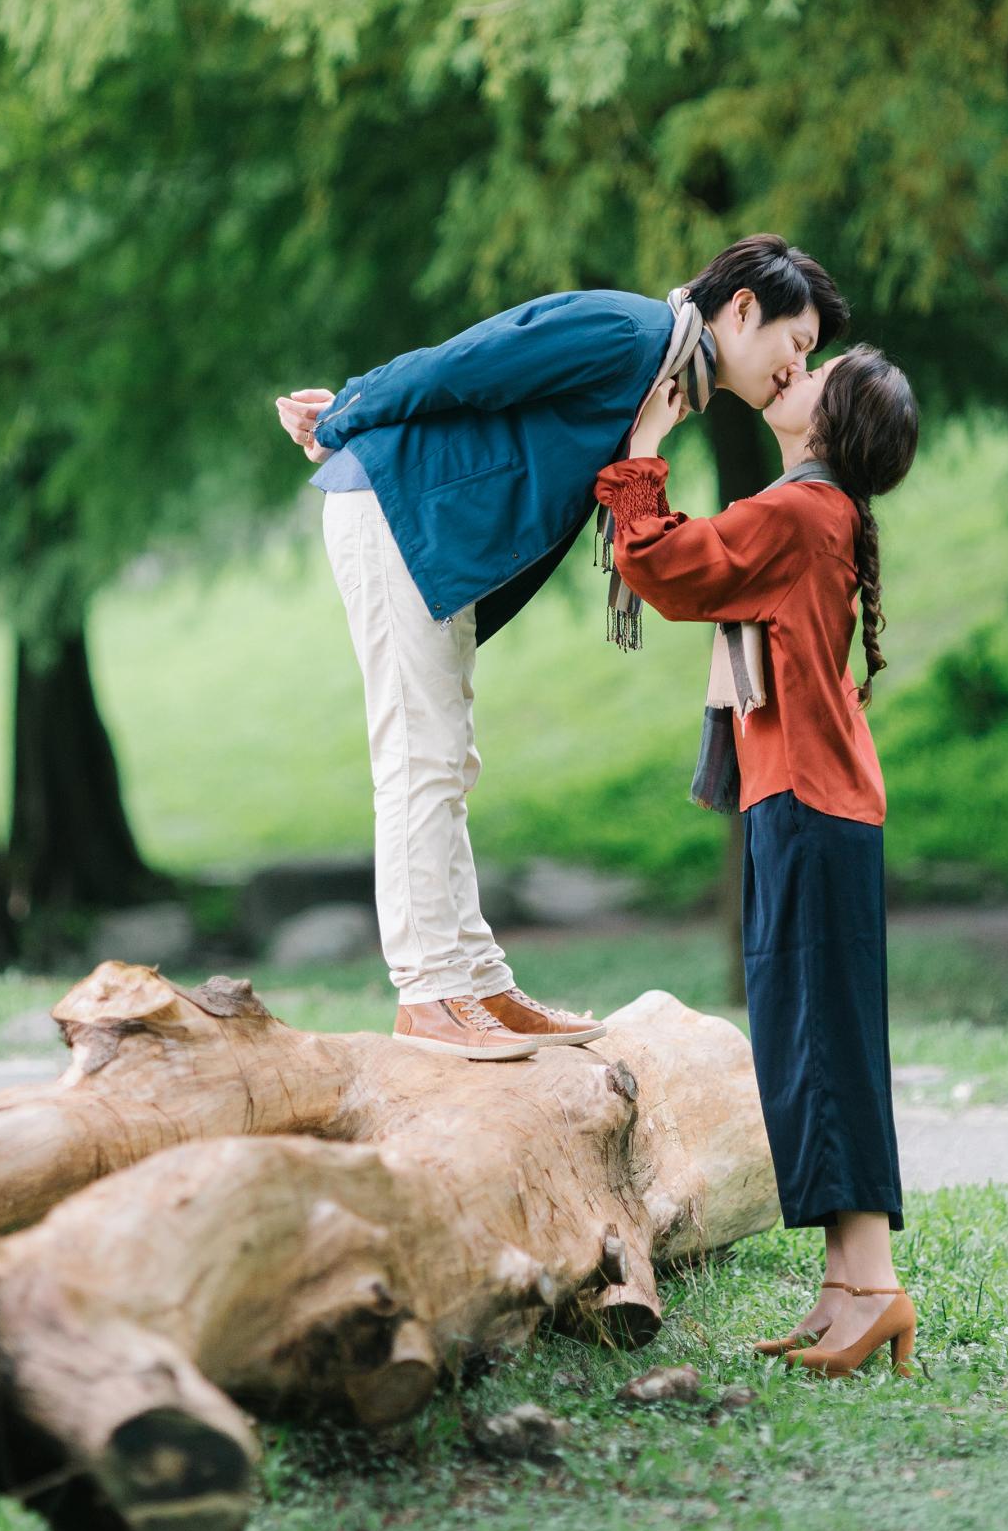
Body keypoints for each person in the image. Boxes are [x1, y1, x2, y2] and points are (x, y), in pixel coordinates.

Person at [276, 235, 849, 1062]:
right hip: (400, 511)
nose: (796, 369)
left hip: (433, 536)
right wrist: (347, 412)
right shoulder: (626, 331)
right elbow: (468, 362)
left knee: (446, 756)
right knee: (419, 755)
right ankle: (429, 989)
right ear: (746, 309)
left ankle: (476, 979)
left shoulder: (662, 378)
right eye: (797, 344)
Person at [592, 343, 920, 1378]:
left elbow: (667, 564)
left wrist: (645, 450)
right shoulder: (819, 509)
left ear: (836, 421)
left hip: (810, 805)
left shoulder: (798, 514)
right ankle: (846, 1289)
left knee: (822, 1047)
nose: (798, 368)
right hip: (815, 799)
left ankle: (873, 1290)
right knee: (810, 1044)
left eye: (821, 371)